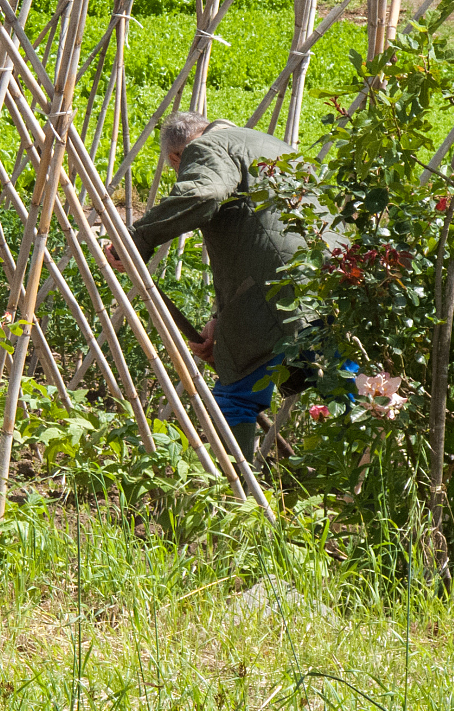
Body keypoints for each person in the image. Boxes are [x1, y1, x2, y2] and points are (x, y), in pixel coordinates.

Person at [107, 111, 310, 459]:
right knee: (345, 382)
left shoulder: (206, 148)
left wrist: (138, 239)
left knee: (236, 393)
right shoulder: (270, 145)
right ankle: (368, 480)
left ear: (176, 157)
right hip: (327, 279)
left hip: (276, 291)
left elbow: (205, 193)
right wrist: (220, 319)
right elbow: (260, 235)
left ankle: (237, 487)